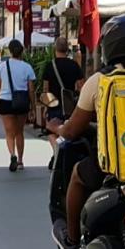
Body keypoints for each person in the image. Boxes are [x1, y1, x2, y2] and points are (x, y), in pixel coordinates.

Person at [55, 15, 125, 249]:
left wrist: (60, 128)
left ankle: (72, 239)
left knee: (78, 176)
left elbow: (74, 129)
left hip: (116, 164)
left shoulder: (101, 81)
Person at [41, 37, 84, 169]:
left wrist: (45, 106)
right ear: (67, 49)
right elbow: (81, 86)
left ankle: (57, 151)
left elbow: (45, 89)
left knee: (51, 130)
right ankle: (61, 153)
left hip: (54, 104)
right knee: (68, 130)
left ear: (55, 48)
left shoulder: (49, 66)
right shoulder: (74, 65)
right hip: (70, 105)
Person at [0, 39, 37, 172]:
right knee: (19, 132)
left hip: (5, 101)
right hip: (22, 101)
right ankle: (20, 160)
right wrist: (33, 107)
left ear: (10, 51)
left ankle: (12, 154)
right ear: (22, 51)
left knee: (9, 133)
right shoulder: (27, 67)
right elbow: (31, 89)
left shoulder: (2, 66)